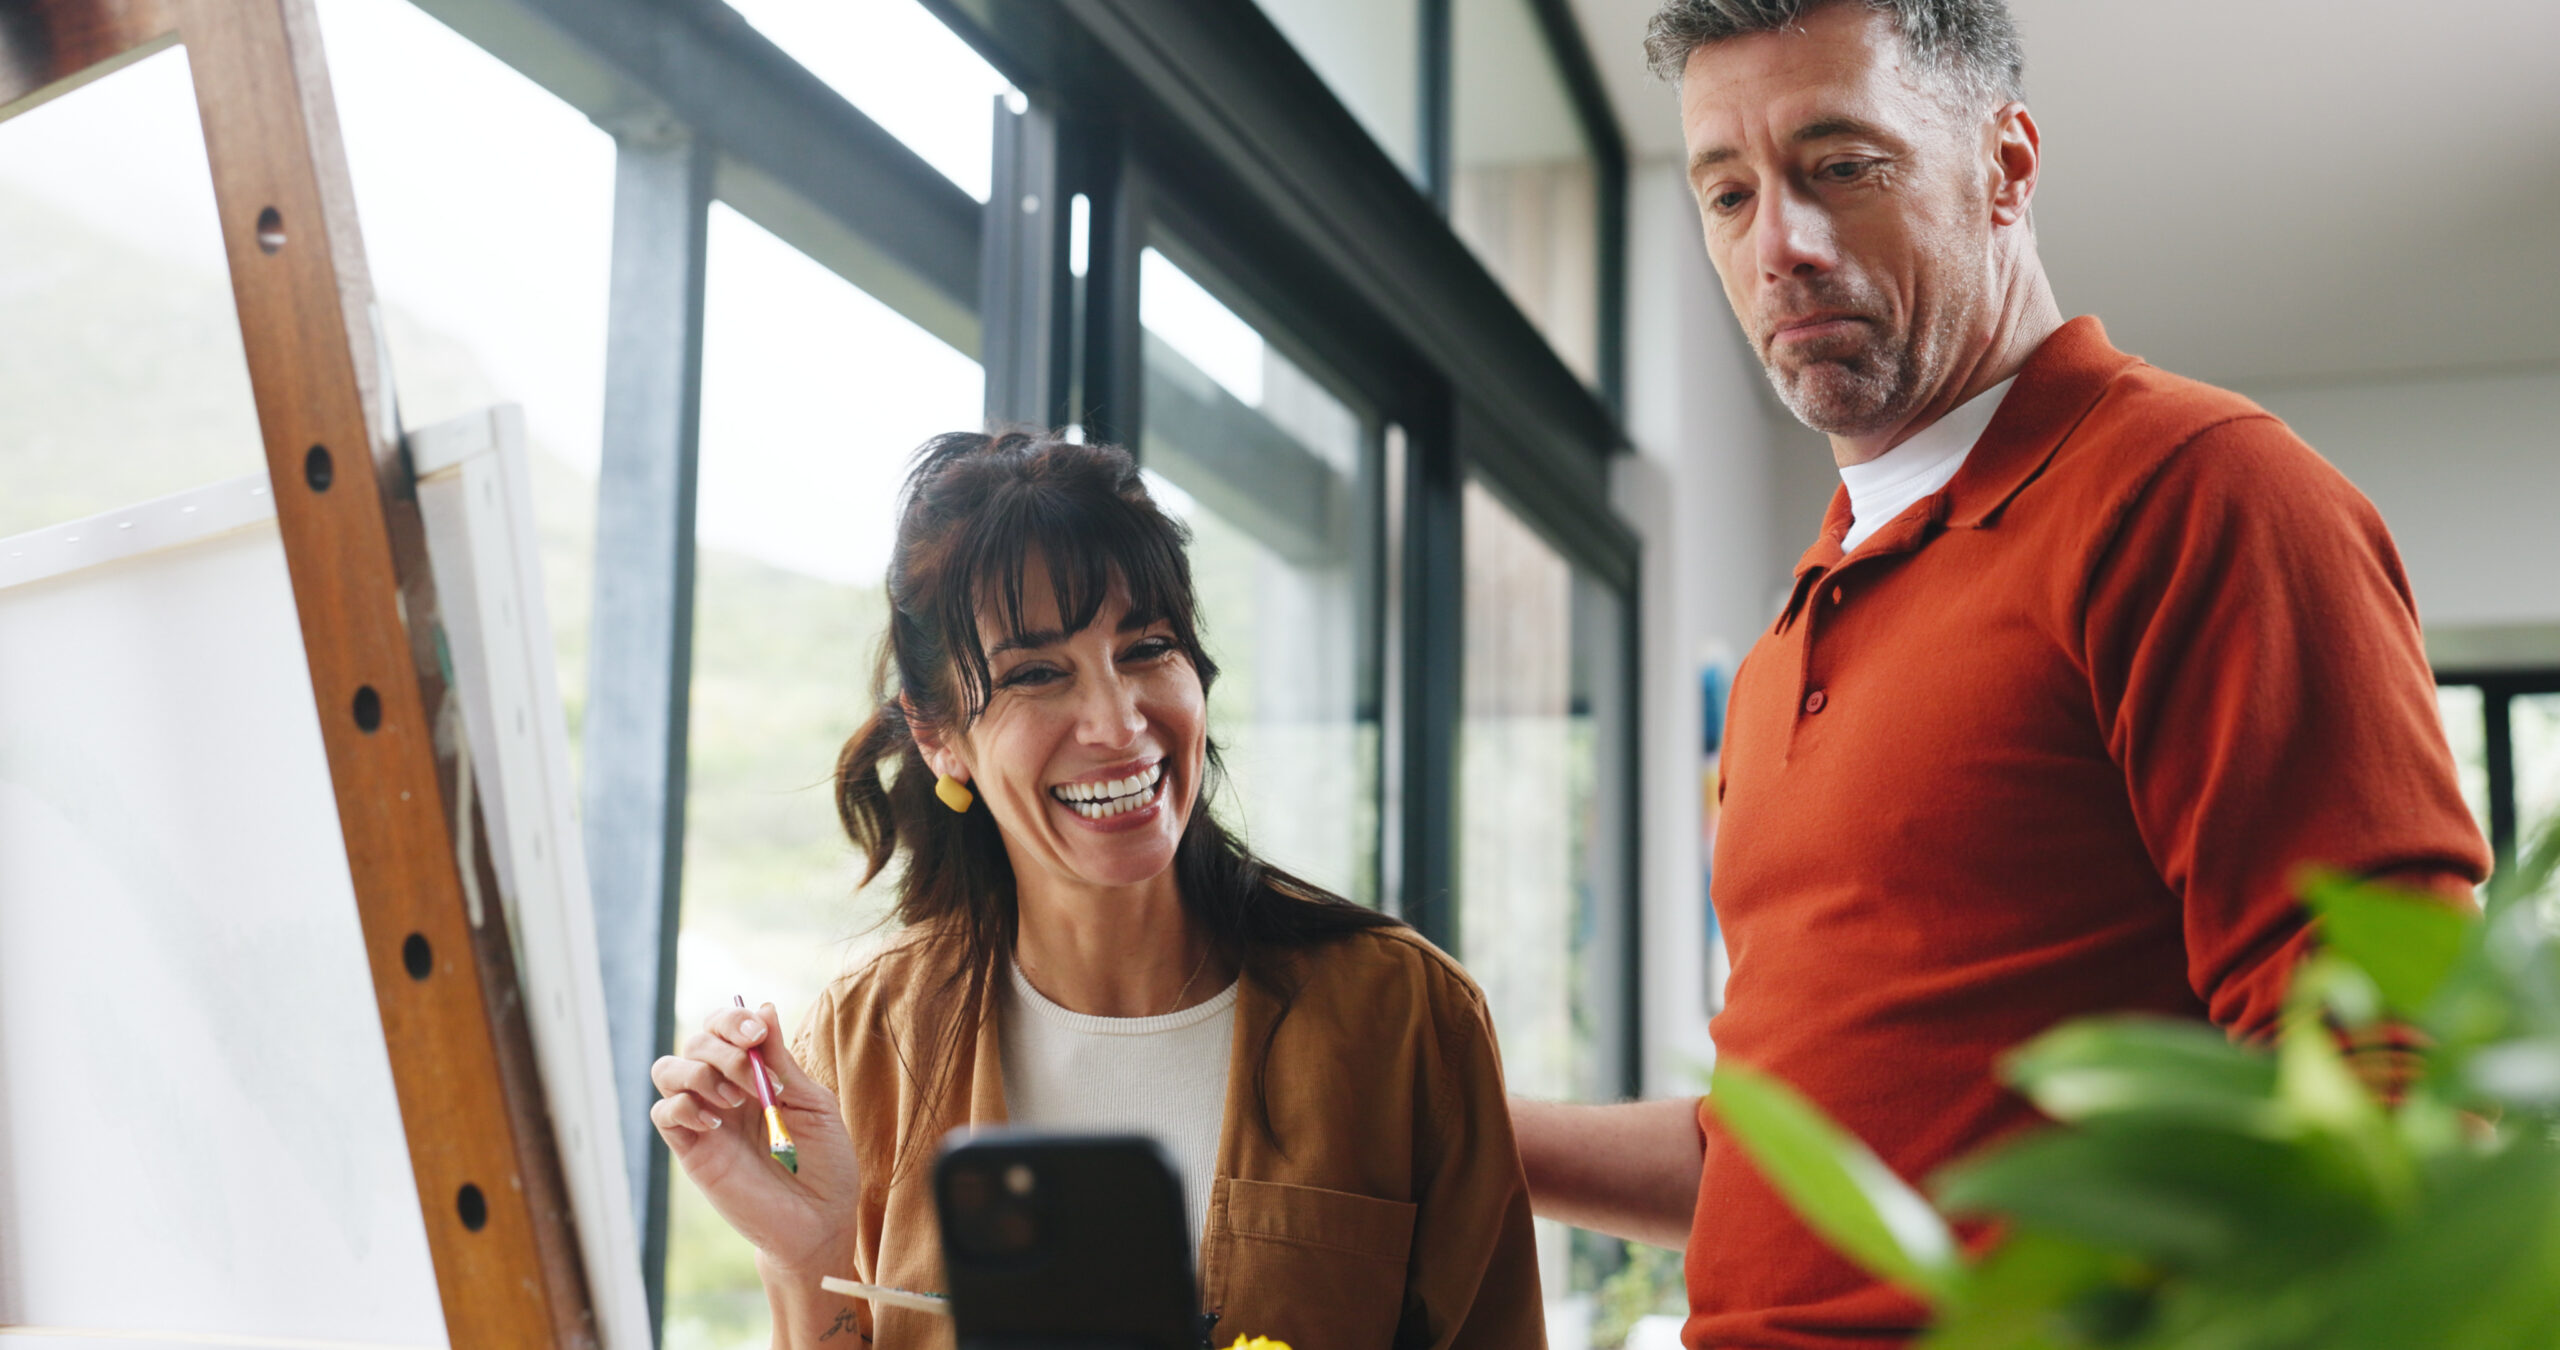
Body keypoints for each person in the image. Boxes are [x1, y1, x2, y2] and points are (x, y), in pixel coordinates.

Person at [1509, 2, 2492, 1346]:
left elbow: (2394, 1078)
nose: (1776, 247)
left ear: (2008, 169)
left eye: (1840, 166)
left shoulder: (2200, 494)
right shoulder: (1779, 648)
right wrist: (1460, 1134)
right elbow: (1791, 1161)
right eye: (1728, 194)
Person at [649, 431, 1543, 1349]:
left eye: (1147, 647)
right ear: (937, 736)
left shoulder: (1403, 1017)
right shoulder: (864, 1044)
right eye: (1036, 673)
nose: (1117, 723)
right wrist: (809, 1256)